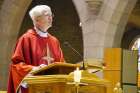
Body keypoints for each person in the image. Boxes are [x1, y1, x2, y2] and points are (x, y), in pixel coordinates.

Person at [7, 5, 64, 93]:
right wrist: (34, 69)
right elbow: (17, 65)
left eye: (51, 15)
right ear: (36, 20)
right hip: (34, 88)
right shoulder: (26, 39)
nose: (50, 17)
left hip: (53, 88)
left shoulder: (54, 41)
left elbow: (62, 64)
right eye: (47, 15)